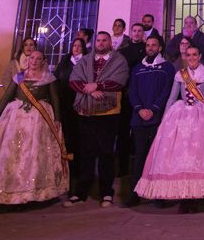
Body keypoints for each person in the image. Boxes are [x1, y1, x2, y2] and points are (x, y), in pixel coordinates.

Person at [135, 45, 204, 213]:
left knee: (198, 157)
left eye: (195, 54)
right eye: (189, 55)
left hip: (202, 118)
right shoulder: (180, 75)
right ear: (185, 57)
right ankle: (182, 196)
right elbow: (172, 97)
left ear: (200, 56)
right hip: (181, 117)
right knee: (180, 157)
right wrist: (164, 120)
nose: (192, 57)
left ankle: (193, 198)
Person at [0, 50, 69, 205]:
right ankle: (8, 190)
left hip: (39, 120)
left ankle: (32, 192)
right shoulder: (19, 77)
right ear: (28, 60)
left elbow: (55, 99)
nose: (34, 61)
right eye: (32, 58)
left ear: (43, 61)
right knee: (12, 153)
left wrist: (57, 119)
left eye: (38, 59)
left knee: (34, 153)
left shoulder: (48, 78)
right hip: (15, 118)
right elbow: (6, 97)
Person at [68, 31, 129, 207]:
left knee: (106, 153)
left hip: (108, 113)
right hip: (86, 111)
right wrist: (91, 89)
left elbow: (120, 81)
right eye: (99, 41)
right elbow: (73, 80)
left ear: (110, 43)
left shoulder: (119, 60)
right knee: (86, 153)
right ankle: (81, 192)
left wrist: (99, 85)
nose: (101, 43)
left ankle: (106, 193)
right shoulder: (86, 60)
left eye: (104, 40)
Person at [123, 35, 175, 207]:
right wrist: (140, 109)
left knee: (158, 157)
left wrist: (153, 109)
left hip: (158, 118)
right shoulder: (138, 68)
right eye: (148, 45)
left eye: (154, 45)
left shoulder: (167, 68)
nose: (150, 48)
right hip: (139, 119)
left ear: (160, 48)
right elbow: (132, 90)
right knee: (139, 156)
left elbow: (167, 91)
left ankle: (158, 195)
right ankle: (135, 194)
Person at [54, 37, 87, 196]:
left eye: (79, 46)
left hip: (81, 105)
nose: (76, 48)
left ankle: (80, 171)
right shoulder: (65, 61)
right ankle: (67, 169)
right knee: (67, 140)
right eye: (74, 45)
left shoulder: (87, 61)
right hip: (66, 105)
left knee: (81, 139)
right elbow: (56, 79)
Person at [116, 23, 147, 176]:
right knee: (122, 132)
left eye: (139, 31)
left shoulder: (147, 50)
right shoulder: (122, 51)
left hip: (141, 96)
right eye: (134, 31)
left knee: (138, 134)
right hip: (124, 94)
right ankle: (122, 169)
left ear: (143, 33)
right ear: (130, 32)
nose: (136, 33)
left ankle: (138, 169)